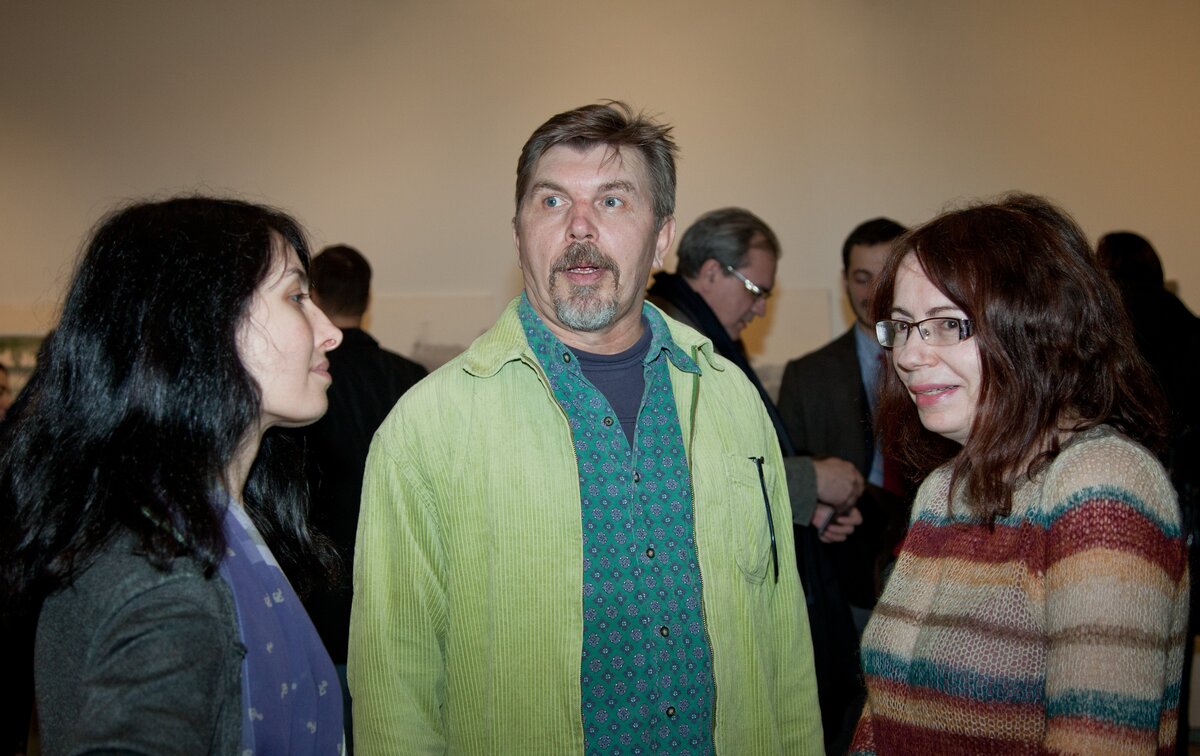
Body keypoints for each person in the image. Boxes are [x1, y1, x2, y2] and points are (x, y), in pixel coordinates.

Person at [349, 102, 823, 754]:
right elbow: (394, 690)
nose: (579, 225)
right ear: (518, 233)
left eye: (613, 201)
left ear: (662, 238)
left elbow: (783, 639)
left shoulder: (732, 401)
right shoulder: (425, 429)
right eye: (551, 201)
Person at [0, 197, 346, 754]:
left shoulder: (201, 527)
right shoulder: (161, 573)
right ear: (200, 326)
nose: (330, 333)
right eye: (296, 296)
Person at [852, 194, 1188, 754]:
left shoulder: (1101, 484)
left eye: (947, 324)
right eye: (903, 327)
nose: (908, 355)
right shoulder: (941, 489)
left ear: (1036, 328)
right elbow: (884, 714)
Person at [647, 208, 865, 538]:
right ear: (711, 273)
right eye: (755, 290)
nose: (761, 308)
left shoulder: (704, 336)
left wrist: (808, 507)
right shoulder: (667, 342)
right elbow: (691, 474)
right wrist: (811, 479)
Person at [299, 244, 428, 752]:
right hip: (399, 608)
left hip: (319, 607)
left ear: (314, 296)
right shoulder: (412, 380)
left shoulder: (302, 386)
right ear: (367, 299)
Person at [778, 218, 911, 629]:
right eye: (861, 278)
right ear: (844, 280)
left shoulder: (945, 362)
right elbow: (786, 477)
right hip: (846, 578)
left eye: (884, 279)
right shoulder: (806, 375)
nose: (872, 293)